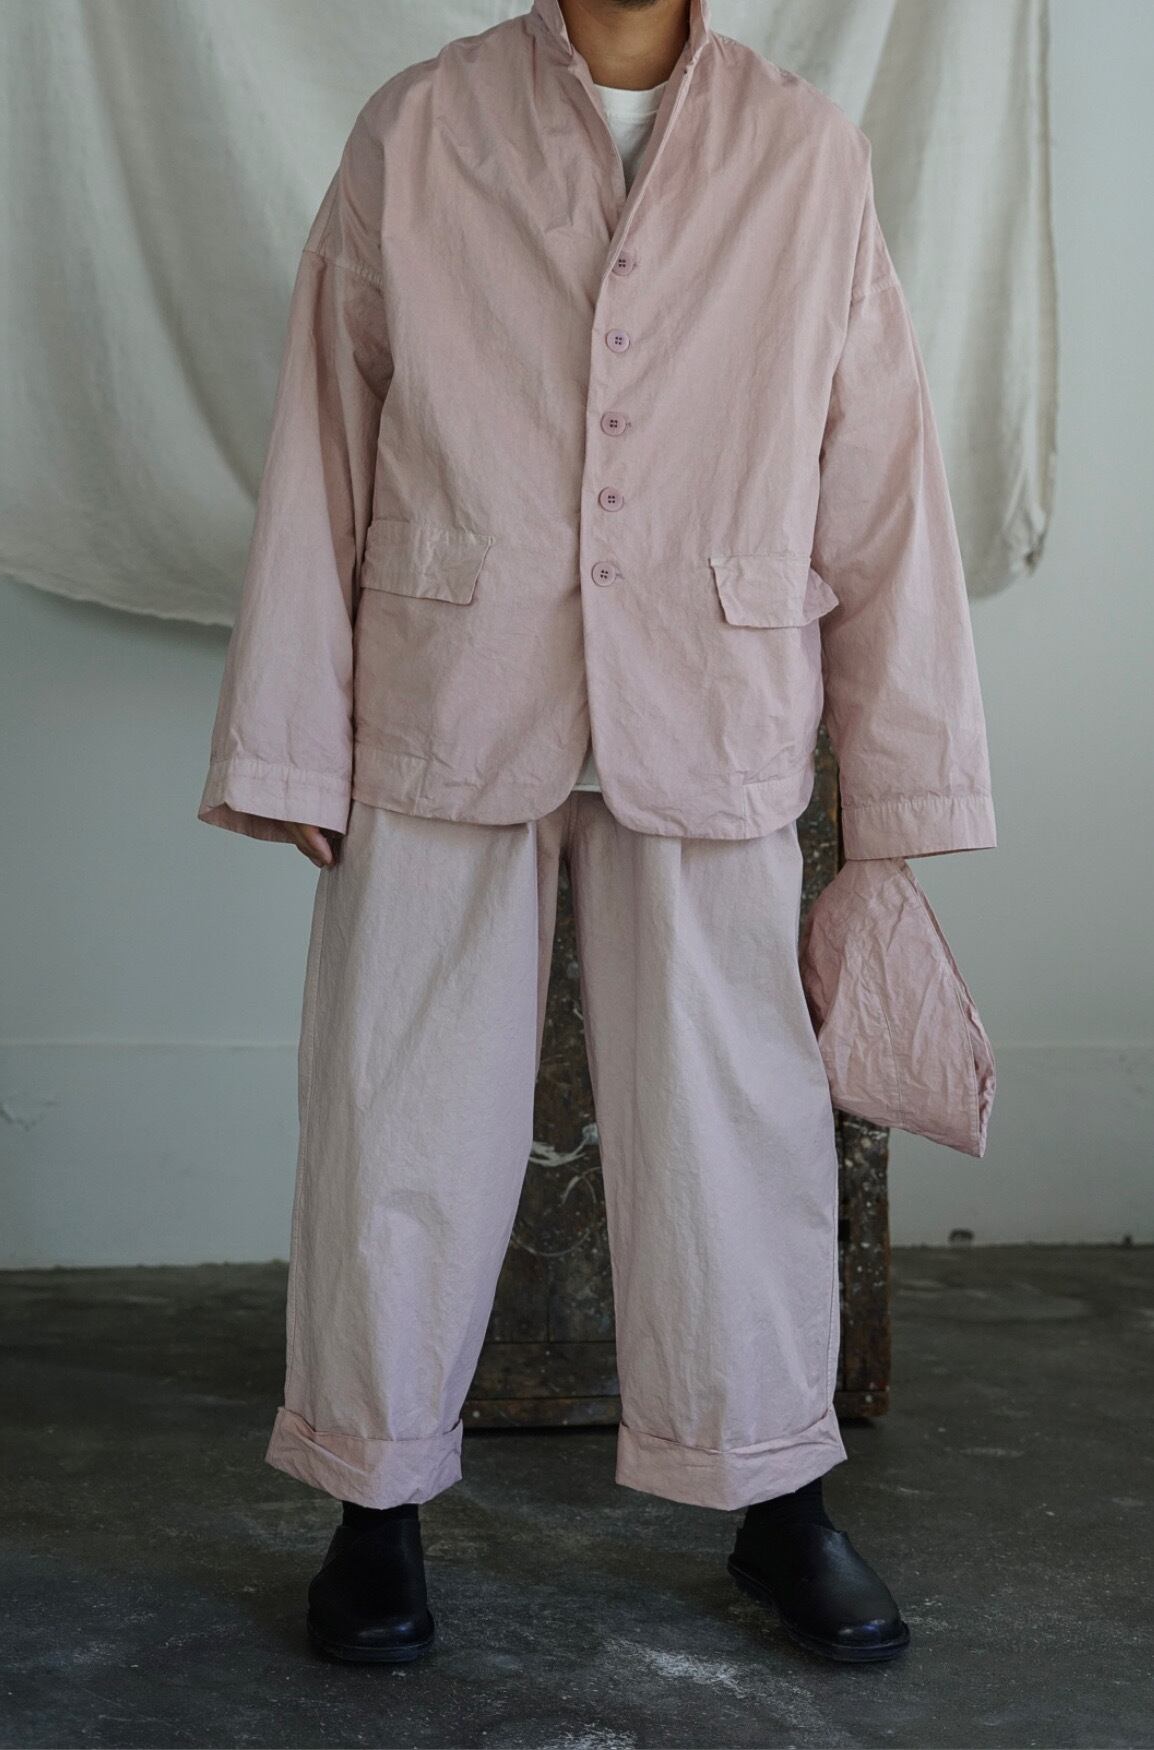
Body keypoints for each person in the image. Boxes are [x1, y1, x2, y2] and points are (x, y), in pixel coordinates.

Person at [198, 0, 997, 1666]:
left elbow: (882, 485)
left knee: (736, 1124)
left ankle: (776, 1496)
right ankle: (371, 1503)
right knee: (395, 1111)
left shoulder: (802, 150)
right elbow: (323, 435)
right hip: (447, 690)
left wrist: (899, 797)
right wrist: (289, 744)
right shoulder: (418, 127)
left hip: (710, 696)